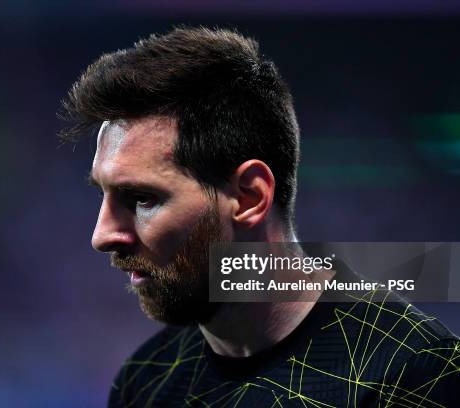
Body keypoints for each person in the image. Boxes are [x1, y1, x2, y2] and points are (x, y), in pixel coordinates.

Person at [59, 27, 459, 407]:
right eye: (103, 194)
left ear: (250, 197)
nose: (102, 235)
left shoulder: (413, 374)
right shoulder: (147, 379)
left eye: (142, 198)